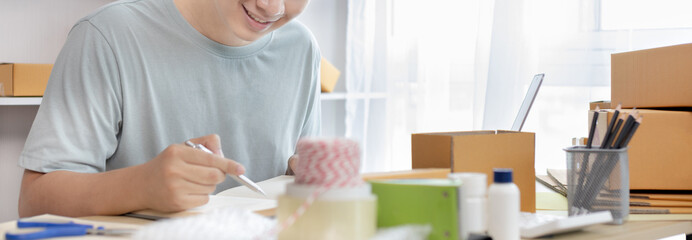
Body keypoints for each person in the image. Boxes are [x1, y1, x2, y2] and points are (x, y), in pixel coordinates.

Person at [18, 0, 319, 217]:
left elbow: (298, 174)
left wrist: (303, 175)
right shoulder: (109, 34)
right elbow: (34, 203)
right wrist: (141, 186)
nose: (272, 7)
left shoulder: (302, 48)